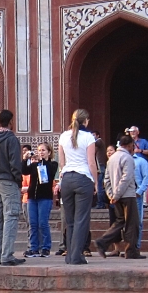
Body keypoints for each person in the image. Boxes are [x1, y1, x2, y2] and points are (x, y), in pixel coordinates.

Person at [56, 109, 97, 265]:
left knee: (70, 220)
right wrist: (95, 182)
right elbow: (91, 162)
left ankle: (69, 255)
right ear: (85, 121)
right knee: (81, 219)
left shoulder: (63, 136)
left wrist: (62, 178)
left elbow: (61, 162)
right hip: (83, 177)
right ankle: (77, 255)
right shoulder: (88, 137)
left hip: (67, 178)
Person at [96, 135, 145, 259]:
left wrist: (111, 194)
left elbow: (106, 179)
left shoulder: (111, 159)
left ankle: (103, 241)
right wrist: (117, 194)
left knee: (120, 221)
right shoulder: (127, 158)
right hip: (127, 195)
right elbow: (126, 178)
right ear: (129, 145)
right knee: (132, 223)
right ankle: (131, 251)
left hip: (115, 196)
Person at [0, 109, 25, 266]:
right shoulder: (11, 139)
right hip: (8, 180)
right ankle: (7, 255)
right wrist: (18, 180)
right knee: (10, 216)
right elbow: (15, 163)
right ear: (11, 122)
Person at [23, 142, 58, 258]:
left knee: (43, 223)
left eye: (43, 150)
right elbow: (23, 170)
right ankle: (34, 248)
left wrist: (43, 161)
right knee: (33, 223)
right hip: (32, 197)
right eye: (39, 150)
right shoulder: (34, 165)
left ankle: (45, 247)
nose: (41, 152)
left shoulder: (52, 164)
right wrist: (25, 159)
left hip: (45, 197)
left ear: (49, 152)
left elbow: (50, 172)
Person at [132, 141, 148, 250]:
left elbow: (146, 178)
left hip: (136, 193)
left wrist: (139, 192)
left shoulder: (141, 161)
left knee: (138, 221)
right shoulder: (121, 159)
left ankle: (136, 246)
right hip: (123, 194)